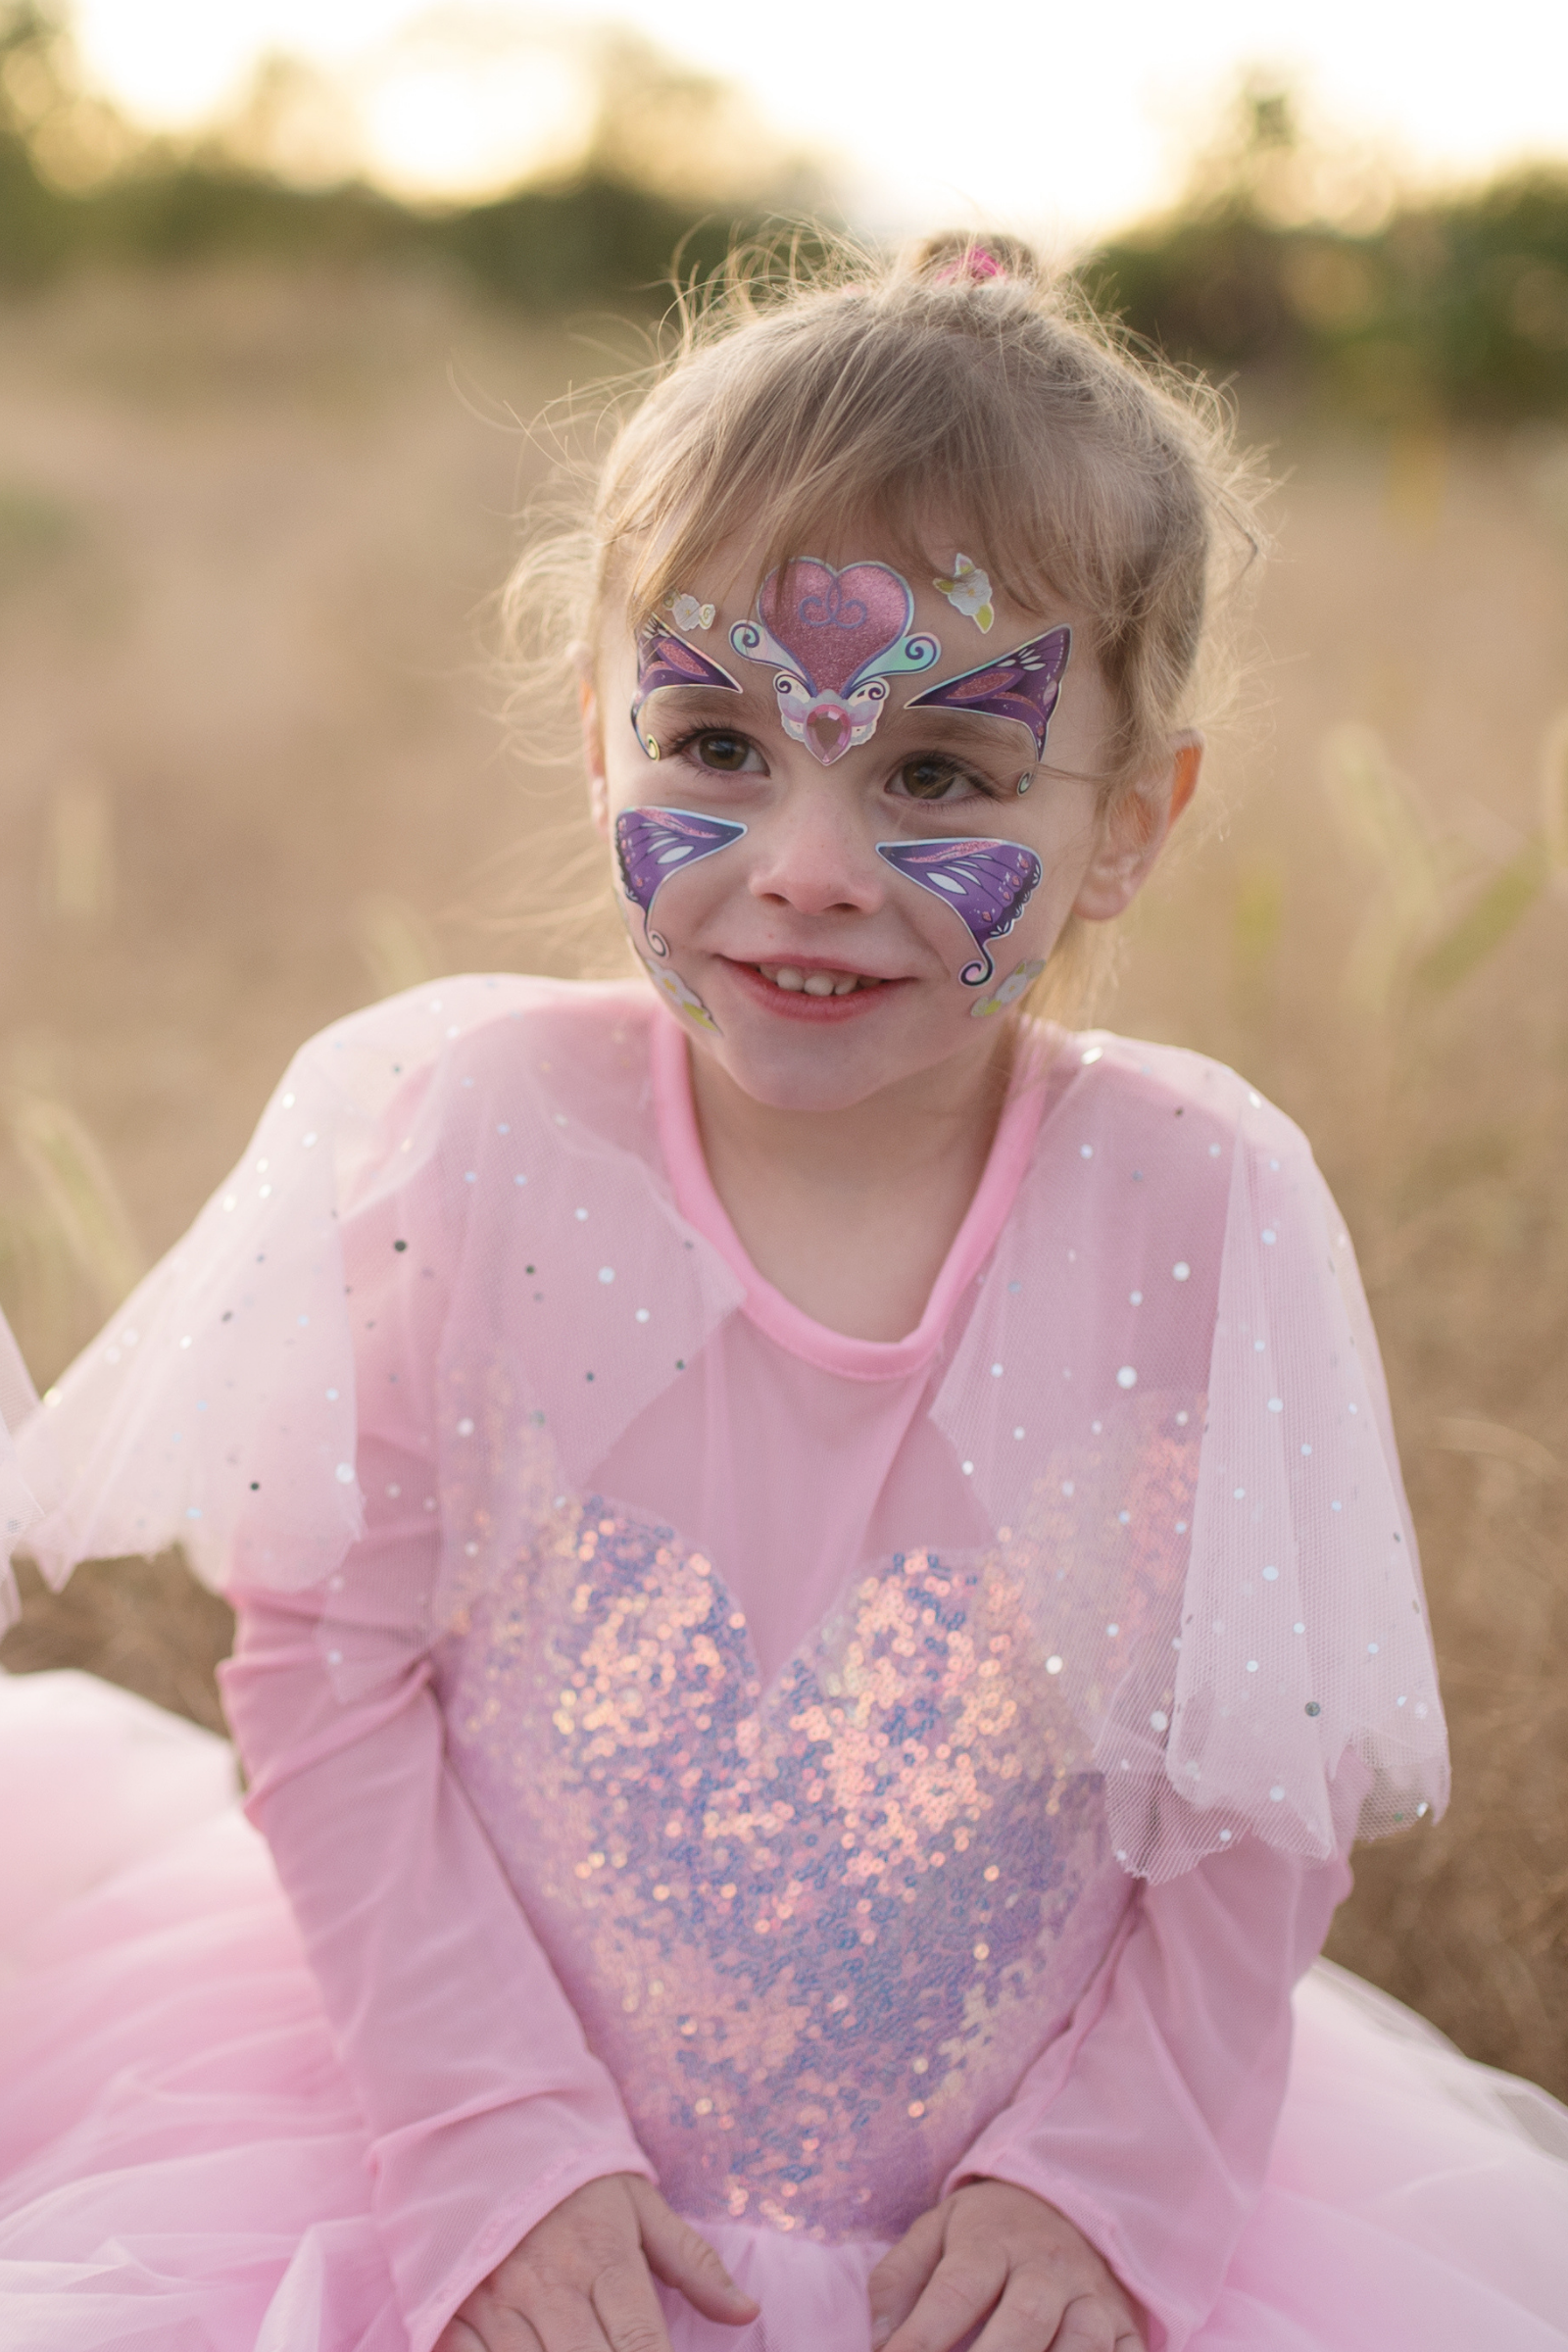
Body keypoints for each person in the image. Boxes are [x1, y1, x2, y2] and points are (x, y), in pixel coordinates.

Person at [1, 234, 1566, 2352]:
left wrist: (1103, 2185)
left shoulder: (1196, 1210)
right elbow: (329, 1677)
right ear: (592, 733)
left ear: (1128, 820)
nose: (805, 862)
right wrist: (489, 2142)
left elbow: (1247, 1796)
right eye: (715, 742)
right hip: (472, 2147)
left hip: (984, 2226)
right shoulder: (478, 1136)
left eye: (933, 774)